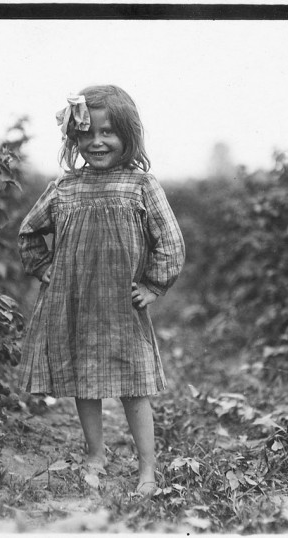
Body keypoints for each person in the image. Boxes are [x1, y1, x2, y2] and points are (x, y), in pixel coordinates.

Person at [17, 85, 185, 497]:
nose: (97, 141)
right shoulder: (65, 188)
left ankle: (148, 468)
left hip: (121, 305)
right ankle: (96, 454)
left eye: (108, 132)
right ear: (74, 138)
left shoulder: (142, 185)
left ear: (128, 135)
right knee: (83, 381)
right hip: (72, 304)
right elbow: (29, 233)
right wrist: (47, 270)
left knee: (134, 385)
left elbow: (171, 241)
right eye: (86, 133)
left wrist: (153, 284)